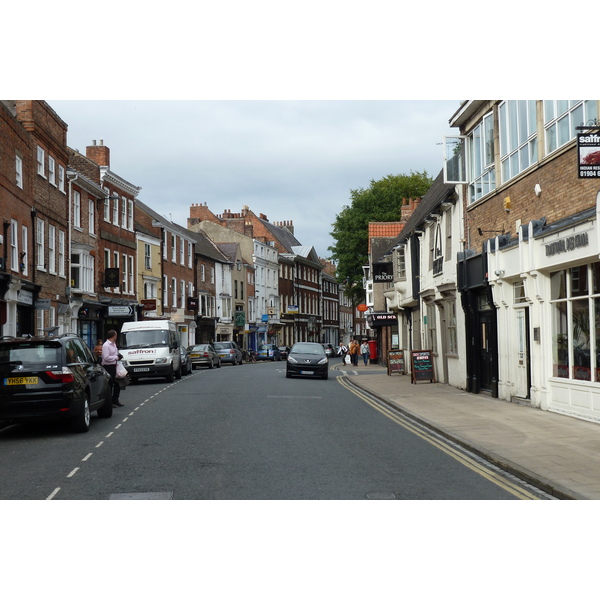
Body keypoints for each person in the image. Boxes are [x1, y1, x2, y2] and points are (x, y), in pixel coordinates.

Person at [102, 330, 124, 407]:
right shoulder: (106, 345)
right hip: (108, 367)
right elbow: (106, 357)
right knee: (110, 384)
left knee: (118, 383)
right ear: (113, 336)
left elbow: (115, 354)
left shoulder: (114, 344)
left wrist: (119, 356)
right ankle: (109, 402)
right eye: (116, 335)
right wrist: (116, 357)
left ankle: (115, 399)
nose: (116, 337)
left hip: (115, 365)